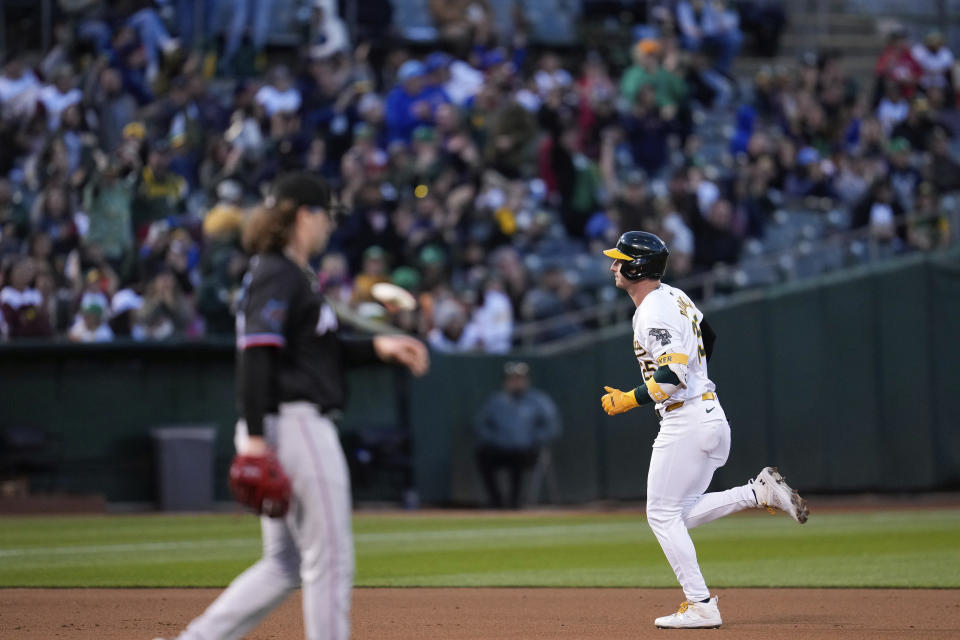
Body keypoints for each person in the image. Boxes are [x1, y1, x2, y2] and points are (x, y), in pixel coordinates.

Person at [158, 172, 429, 640]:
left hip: (285, 420)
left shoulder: (289, 275)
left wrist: (380, 347)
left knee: (283, 563)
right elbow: (256, 353)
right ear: (305, 216)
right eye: (325, 216)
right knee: (331, 559)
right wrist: (258, 440)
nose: (329, 227)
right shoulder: (277, 273)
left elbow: (321, 353)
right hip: (294, 422)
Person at [599, 230, 808, 629]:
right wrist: (695, 376)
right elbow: (706, 336)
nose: (613, 265)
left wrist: (629, 398)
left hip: (687, 420)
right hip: (709, 416)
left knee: (661, 515)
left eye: (620, 259)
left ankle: (700, 604)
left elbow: (674, 373)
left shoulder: (652, 310)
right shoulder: (676, 296)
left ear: (637, 267)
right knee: (679, 513)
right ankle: (756, 492)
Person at [473, 361, 561, 508]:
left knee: (518, 456)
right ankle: (497, 501)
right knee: (482, 455)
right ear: (506, 381)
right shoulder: (496, 401)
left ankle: (515, 502)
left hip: (526, 450)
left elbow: (552, 425)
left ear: (527, 380)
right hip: (500, 448)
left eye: (520, 379)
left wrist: (534, 439)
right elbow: (480, 424)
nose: (517, 382)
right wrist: (493, 440)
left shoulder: (538, 400)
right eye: (513, 379)